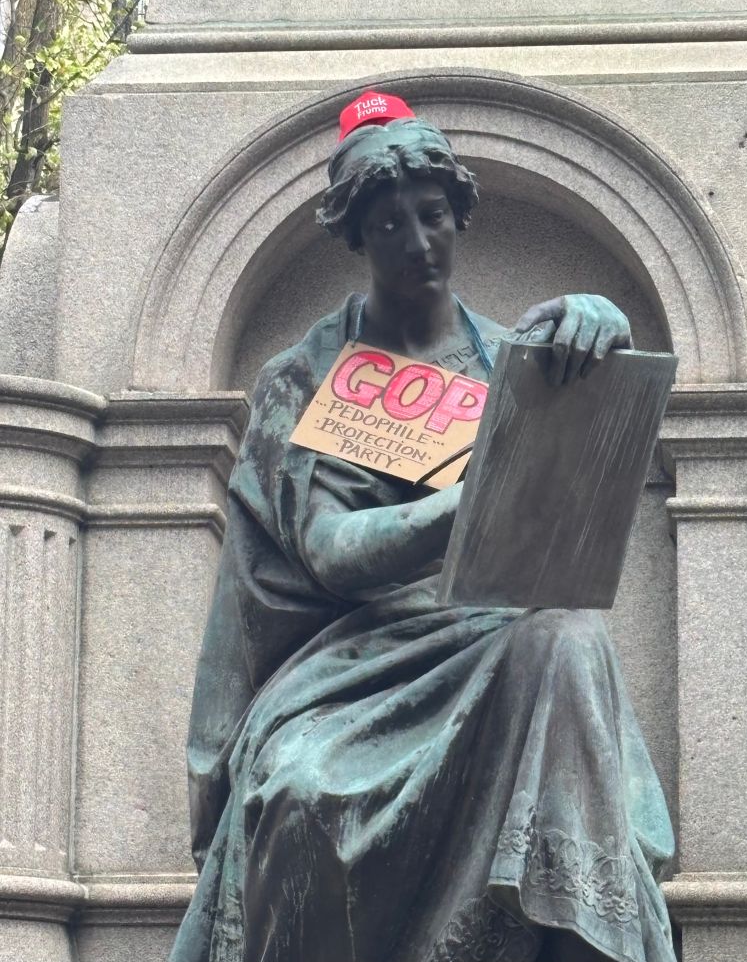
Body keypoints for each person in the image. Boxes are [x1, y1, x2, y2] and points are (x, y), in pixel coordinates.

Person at [169, 91, 676, 962]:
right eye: (390, 224)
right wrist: (473, 500)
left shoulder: (516, 361)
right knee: (299, 791)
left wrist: (600, 334)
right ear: (356, 238)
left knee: (567, 639)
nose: (417, 242)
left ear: (460, 216)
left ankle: (578, 931)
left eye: (433, 215)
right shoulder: (306, 375)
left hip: (491, 637)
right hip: (345, 670)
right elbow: (330, 552)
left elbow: (572, 506)